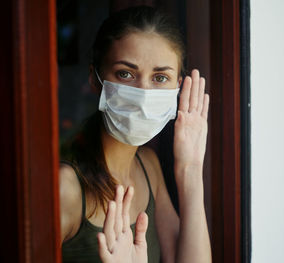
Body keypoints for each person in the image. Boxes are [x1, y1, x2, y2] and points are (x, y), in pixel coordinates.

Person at [59, 5, 211, 263]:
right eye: (126, 74)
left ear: (178, 87)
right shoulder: (66, 188)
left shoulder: (148, 167)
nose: (143, 94)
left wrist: (191, 169)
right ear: (96, 79)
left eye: (160, 77)